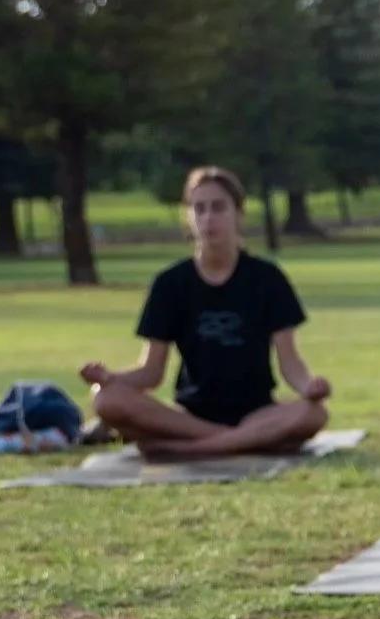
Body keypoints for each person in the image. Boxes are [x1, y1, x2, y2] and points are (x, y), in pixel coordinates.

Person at [80, 167, 330, 458]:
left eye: (219, 207)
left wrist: (309, 387)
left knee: (313, 414)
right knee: (104, 399)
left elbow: (290, 362)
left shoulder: (267, 278)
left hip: (257, 412)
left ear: (238, 214)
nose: (209, 218)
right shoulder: (170, 283)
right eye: (199, 209)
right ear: (188, 217)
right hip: (189, 417)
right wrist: (109, 377)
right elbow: (151, 372)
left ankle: (193, 449)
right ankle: (236, 441)